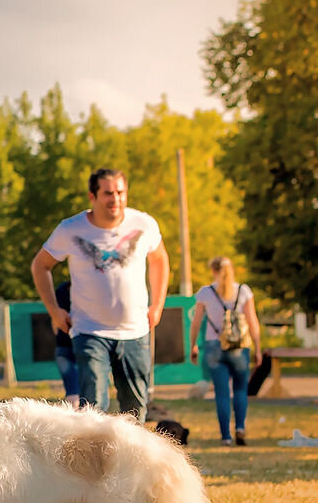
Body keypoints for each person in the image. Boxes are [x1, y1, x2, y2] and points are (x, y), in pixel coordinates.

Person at [31, 168, 169, 421]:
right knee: (93, 410)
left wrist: (158, 304)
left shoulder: (144, 224)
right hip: (89, 331)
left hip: (135, 332)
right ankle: (95, 460)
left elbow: (160, 259)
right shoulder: (70, 229)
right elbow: (40, 265)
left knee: (135, 410)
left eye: (120, 192)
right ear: (92, 197)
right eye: (107, 193)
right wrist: (54, 310)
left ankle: (131, 460)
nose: (115, 199)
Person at [191, 256, 263, 446]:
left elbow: (196, 322)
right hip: (240, 347)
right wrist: (258, 347)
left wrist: (193, 345)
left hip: (214, 346)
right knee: (240, 389)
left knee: (221, 393)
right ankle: (240, 428)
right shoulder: (243, 291)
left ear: (213, 271)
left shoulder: (205, 293)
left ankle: (226, 437)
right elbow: (253, 321)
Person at [52, 280, 81, 406]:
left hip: (63, 348)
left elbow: (54, 324)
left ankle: (75, 423)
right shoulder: (87, 288)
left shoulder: (60, 290)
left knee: (72, 390)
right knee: (89, 392)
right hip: (84, 346)